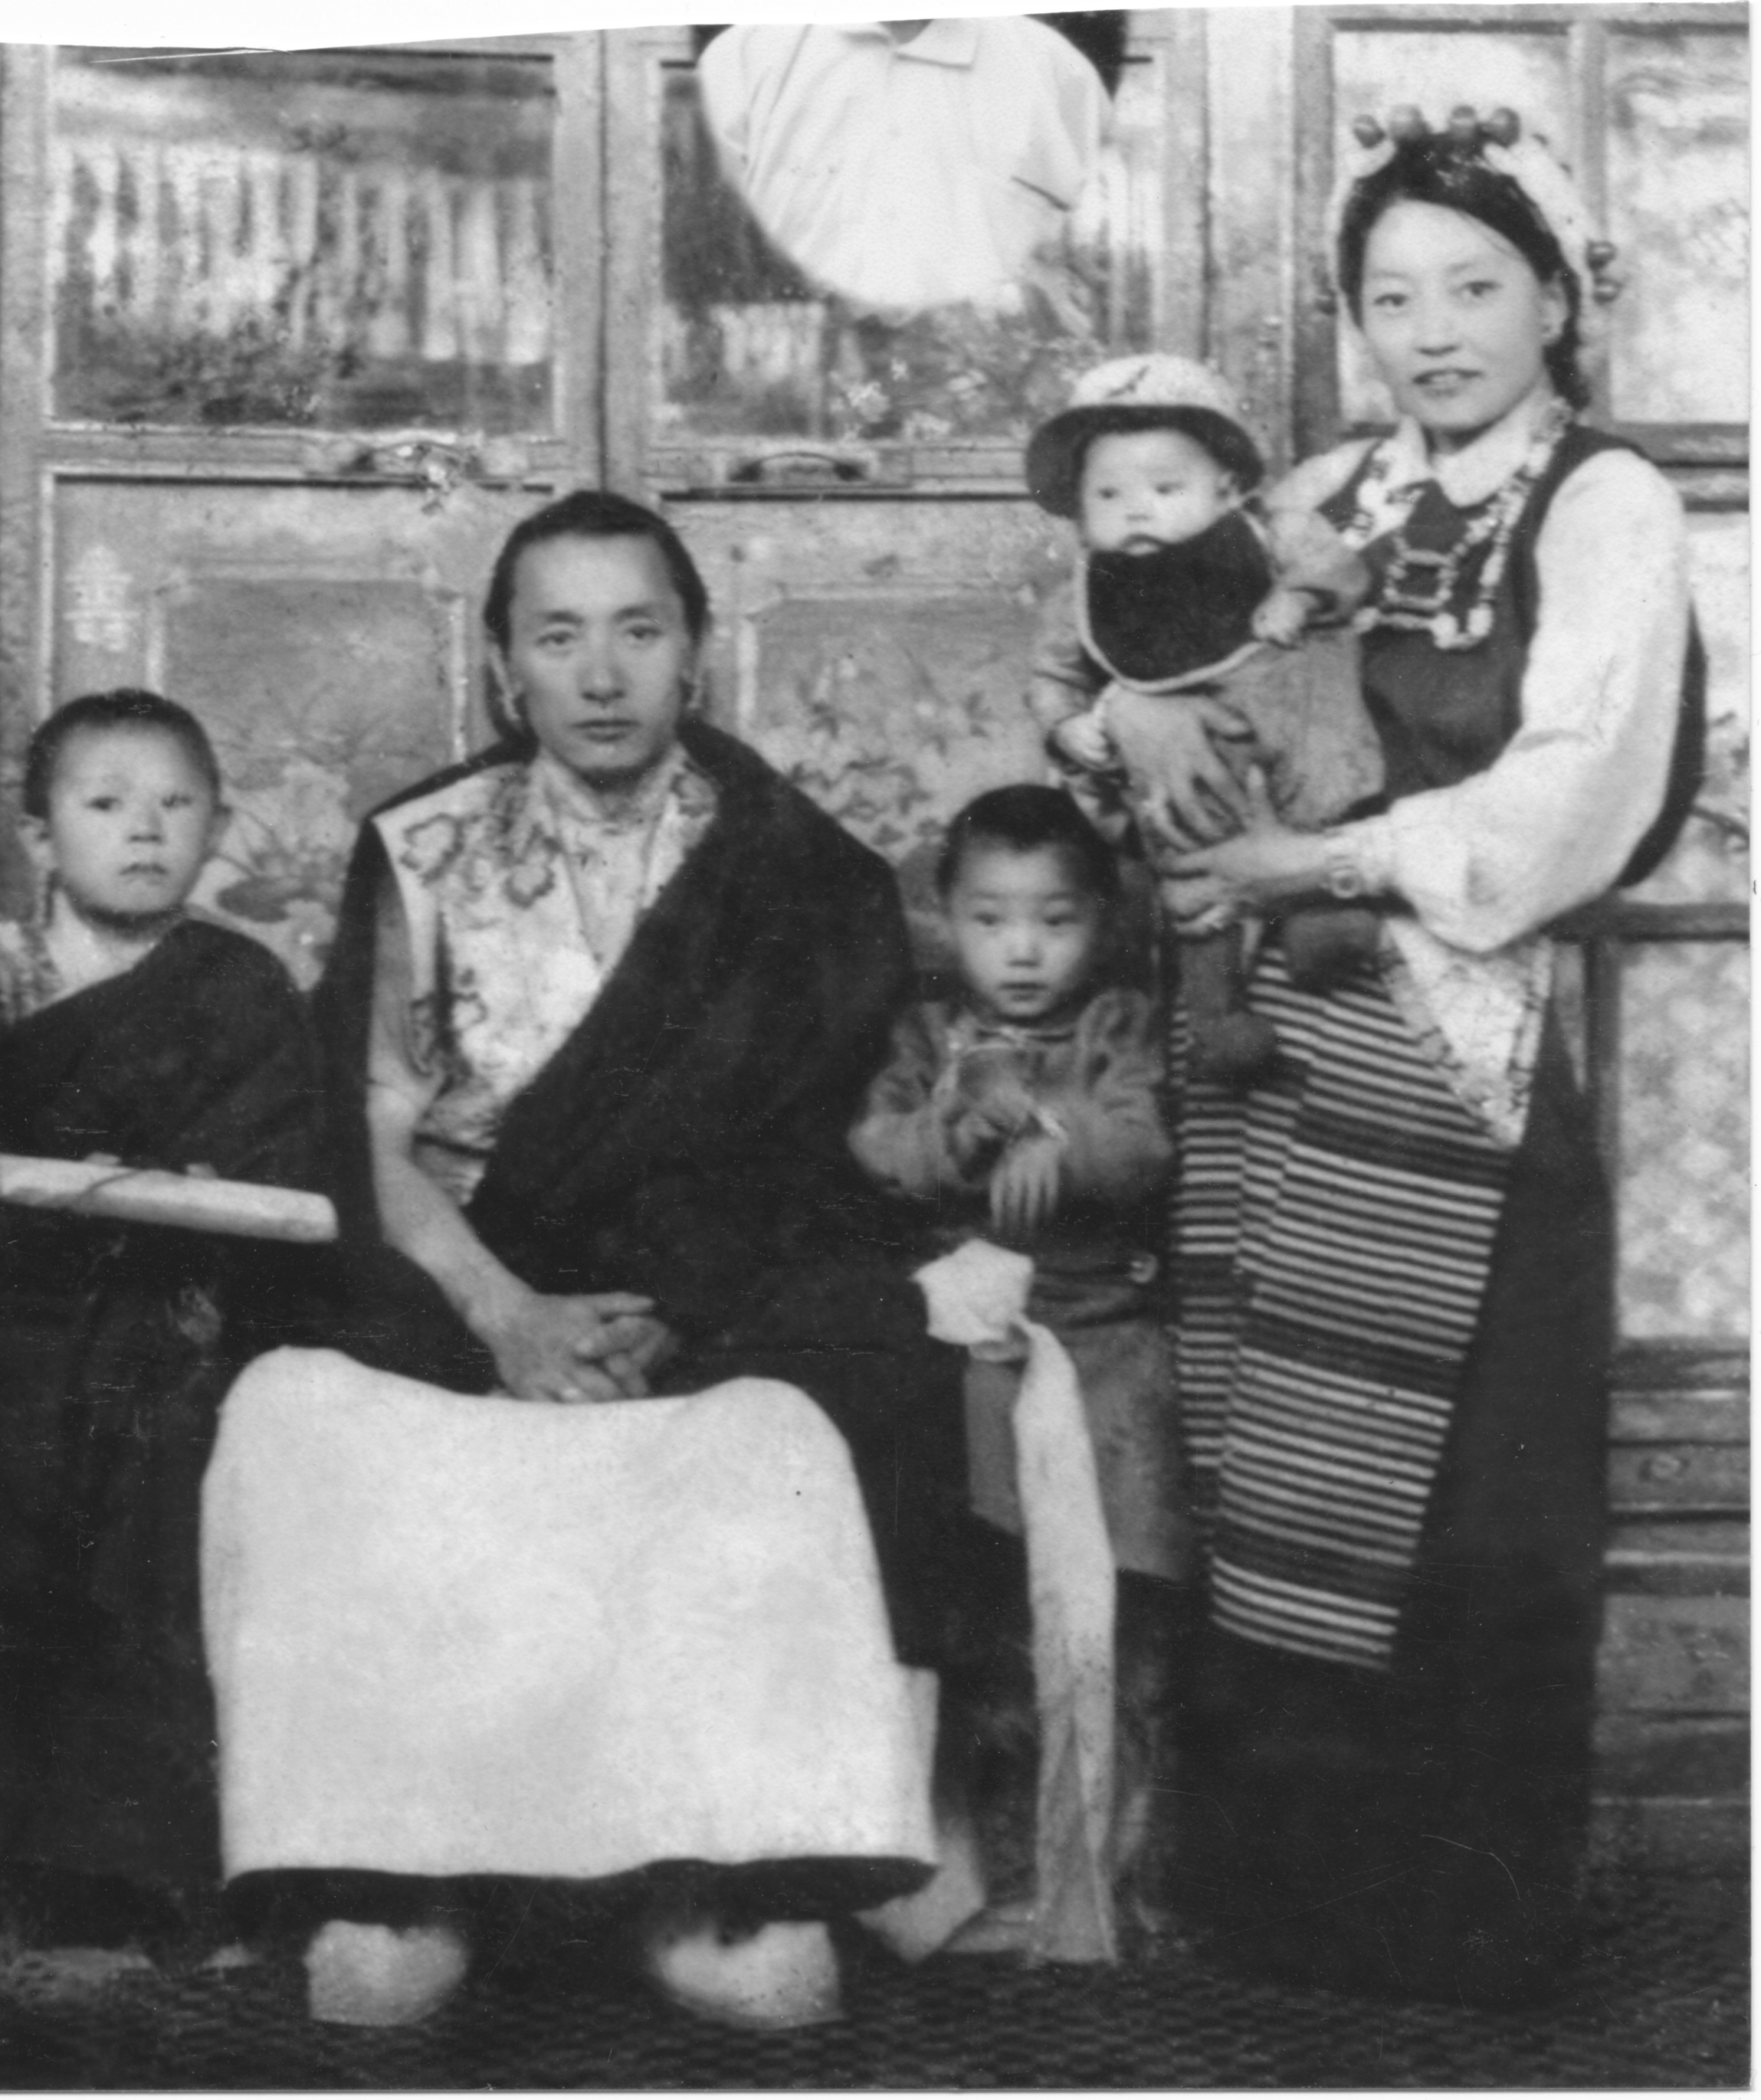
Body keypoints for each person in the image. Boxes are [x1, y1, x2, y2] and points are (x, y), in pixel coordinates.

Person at [215, 490, 969, 2029]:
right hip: (466, 1270)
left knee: (821, 1382)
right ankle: (399, 1868)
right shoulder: (420, 845)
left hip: (700, 1282)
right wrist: (503, 1312)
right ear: (505, 668)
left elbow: (809, 1148)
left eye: (639, 629)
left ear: (694, 651)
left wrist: (655, 1309)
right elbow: (371, 1130)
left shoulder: (791, 867)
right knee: (295, 1402)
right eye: (559, 637)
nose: (603, 673)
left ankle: (717, 1875)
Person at [1099, 107, 1700, 2003]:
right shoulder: (1332, 493)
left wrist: (1326, 854)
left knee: (1461, 1488)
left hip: (1458, 1042)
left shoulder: (1599, 502)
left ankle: (1464, 1930)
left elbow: (1570, 794)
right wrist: (1122, 716)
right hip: (1270, 1044)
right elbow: (1158, 645)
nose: (1430, 329)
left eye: (1473, 287)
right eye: (1390, 295)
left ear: (1554, 298)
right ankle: (1292, 1911)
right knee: (1277, 1453)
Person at [0, 691, 323, 1983]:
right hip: (1, 1335)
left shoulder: (238, 985)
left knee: (169, 1491)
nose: (144, 832)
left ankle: (145, 1884)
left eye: (176, 806)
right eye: (105, 804)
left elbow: (289, 1172)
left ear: (219, 830)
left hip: (180, 1329)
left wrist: (172, 1188)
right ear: (39, 836)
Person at [849, 785, 1192, 1935]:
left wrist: (1057, 1135)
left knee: (1116, 1626)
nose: (1026, 948)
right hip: (973, 1357)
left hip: (1104, 1352)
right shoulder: (924, 1034)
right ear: (949, 918)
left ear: (1101, 919)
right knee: (982, 1615)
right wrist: (958, 1131)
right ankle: (972, 1864)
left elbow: (1141, 1138)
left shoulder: (1117, 1028)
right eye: (993, 920)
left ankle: (1104, 1873)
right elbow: (880, 1146)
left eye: (1056, 919)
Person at [1025, 353, 1384, 1083]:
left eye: (1166, 487)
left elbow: (1343, 567)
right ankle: (1215, 1012)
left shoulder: (1273, 534)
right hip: (1197, 773)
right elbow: (1053, 675)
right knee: (1186, 851)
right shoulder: (1084, 594)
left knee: (1325, 745)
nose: (1136, 508)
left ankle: (1318, 915)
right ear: (1078, 505)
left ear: (1226, 488)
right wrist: (1069, 727)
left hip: (1295, 734)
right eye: (1109, 492)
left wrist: (1304, 598)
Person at [697, 18, 1107, 317]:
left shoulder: (1051, 65)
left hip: (992, 367)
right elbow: (725, 245)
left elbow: (1083, 234)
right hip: (793, 356)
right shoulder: (742, 58)